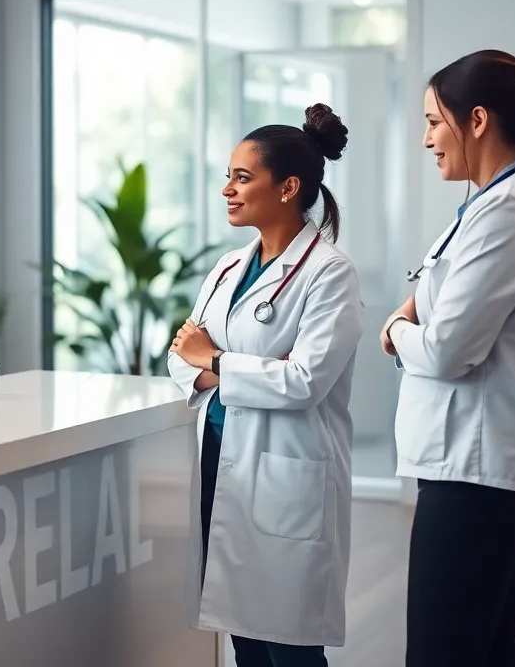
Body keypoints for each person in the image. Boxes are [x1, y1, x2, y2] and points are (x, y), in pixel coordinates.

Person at [381, 50, 515, 667]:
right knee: (490, 653)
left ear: (476, 120)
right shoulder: (494, 205)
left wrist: (397, 327)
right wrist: (419, 314)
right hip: (479, 469)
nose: (425, 140)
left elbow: (446, 348)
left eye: (432, 122)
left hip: (480, 473)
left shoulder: (511, 213)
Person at [170, 104, 362, 667]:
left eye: (242, 176)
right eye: (228, 175)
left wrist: (218, 362)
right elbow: (181, 358)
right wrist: (230, 364)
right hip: (219, 463)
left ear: (289, 187)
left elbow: (304, 381)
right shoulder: (229, 268)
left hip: (286, 475)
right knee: (242, 634)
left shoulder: (330, 273)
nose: (226, 188)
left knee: (291, 647)